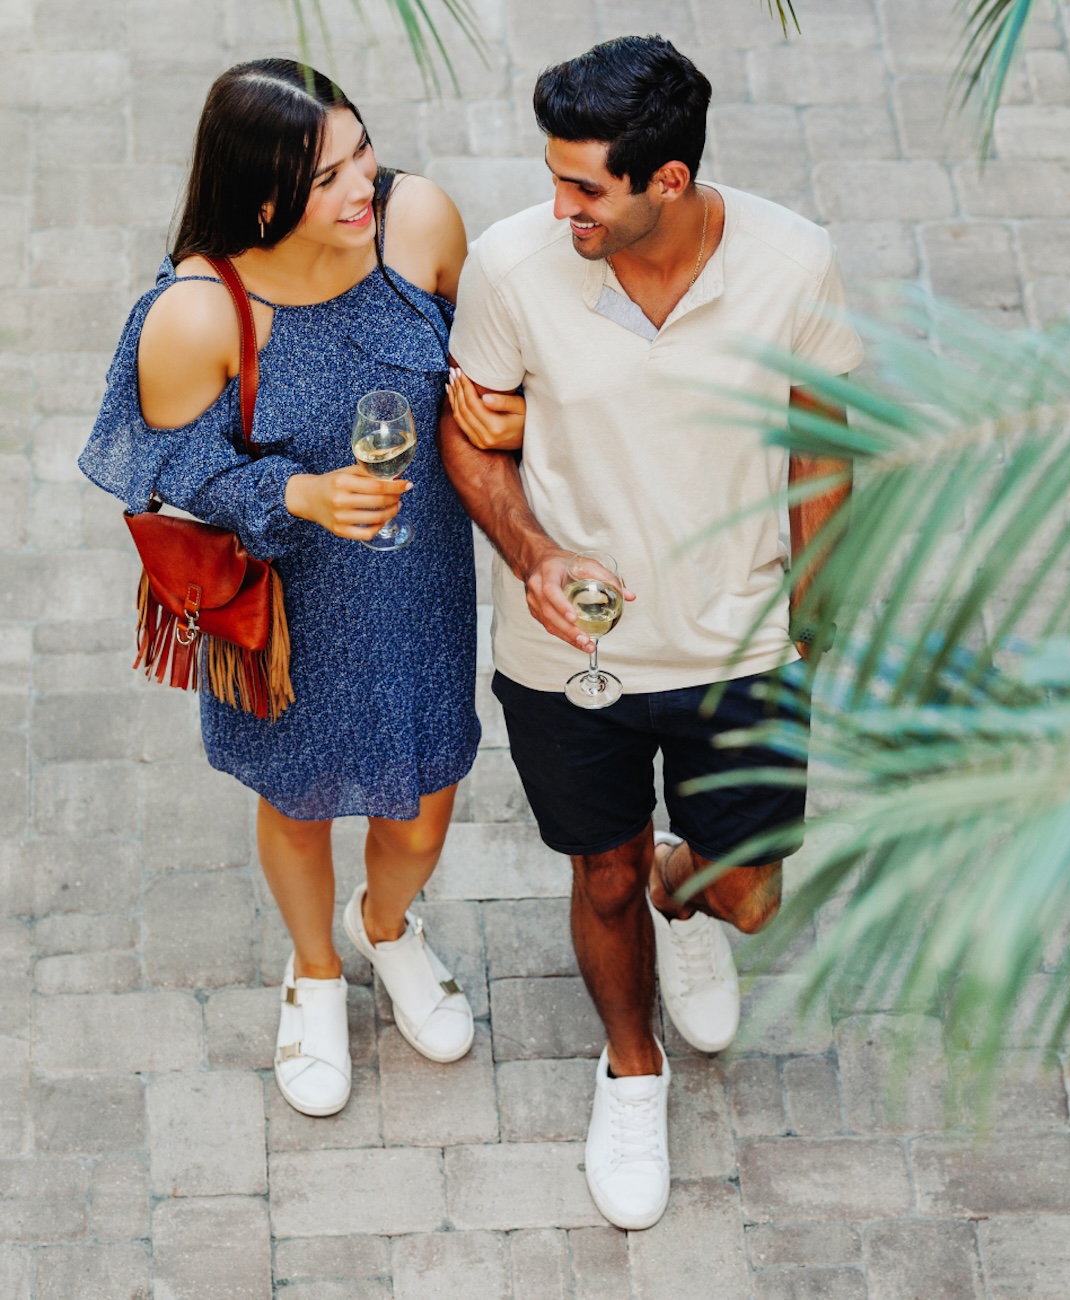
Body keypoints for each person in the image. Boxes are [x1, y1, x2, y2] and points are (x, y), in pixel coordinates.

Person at [440, 35, 863, 1229]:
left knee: (749, 898)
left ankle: (689, 904)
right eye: (554, 176)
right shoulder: (514, 267)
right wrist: (531, 554)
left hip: (742, 648)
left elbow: (822, 436)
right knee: (603, 869)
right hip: (572, 657)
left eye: (585, 187)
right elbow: (469, 433)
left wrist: (817, 601)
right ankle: (630, 1068)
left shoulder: (793, 264)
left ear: (666, 181)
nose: (557, 204)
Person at [79, 59, 523, 1118]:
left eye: (362, 150)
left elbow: (494, 364)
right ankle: (315, 967)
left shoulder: (420, 225)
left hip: (417, 581)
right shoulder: (200, 313)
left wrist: (508, 417)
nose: (363, 184)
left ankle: (388, 923)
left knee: (420, 806)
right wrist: (300, 495)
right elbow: (166, 470)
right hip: (288, 604)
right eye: (329, 177)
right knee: (299, 798)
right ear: (264, 196)